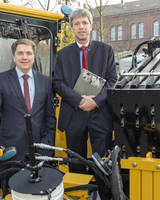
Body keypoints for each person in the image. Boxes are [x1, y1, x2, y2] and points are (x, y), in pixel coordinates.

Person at [52, 9, 117, 200]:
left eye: (84, 22)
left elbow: (113, 81)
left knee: (103, 162)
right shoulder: (63, 54)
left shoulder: (106, 50)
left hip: (100, 113)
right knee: (76, 161)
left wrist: (95, 101)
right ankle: (78, 196)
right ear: (71, 28)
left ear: (91, 25)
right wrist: (79, 100)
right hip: (74, 113)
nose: (81, 27)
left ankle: (105, 196)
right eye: (77, 24)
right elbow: (57, 83)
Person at [0, 39, 56, 161]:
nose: (25, 57)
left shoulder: (45, 81)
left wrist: (48, 143)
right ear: (14, 57)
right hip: (11, 149)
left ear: (34, 57)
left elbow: (50, 116)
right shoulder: (1, 79)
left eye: (29, 53)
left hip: (40, 147)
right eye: (20, 53)